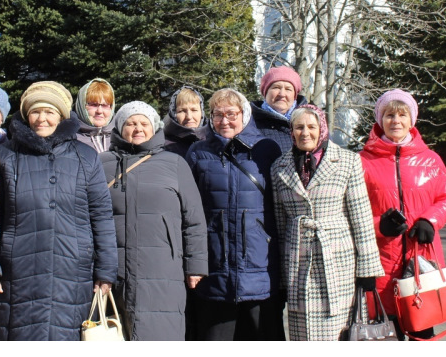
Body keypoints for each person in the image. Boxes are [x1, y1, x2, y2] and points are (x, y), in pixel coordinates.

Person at [0, 81, 118, 341]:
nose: (42, 119)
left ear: (61, 115)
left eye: (50, 112)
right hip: (17, 271)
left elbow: (101, 215)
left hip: (72, 270)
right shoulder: (4, 156)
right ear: (26, 115)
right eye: (35, 111)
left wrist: (106, 270)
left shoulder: (85, 157)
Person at [271, 104, 384, 340]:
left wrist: (367, 270)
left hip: (338, 262)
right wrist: (282, 278)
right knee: (303, 333)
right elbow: (281, 226)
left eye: (311, 127)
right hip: (298, 261)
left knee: (339, 332)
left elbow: (361, 217)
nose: (305, 133)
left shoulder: (347, 161)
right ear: (291, 131)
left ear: (322, 128)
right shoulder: (279, 167)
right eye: (299, 127)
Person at [100, 101, 208, 340]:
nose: (137, 128)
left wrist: (196, 265)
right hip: (112, 270)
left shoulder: (174, 163)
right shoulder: (101, 164)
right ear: (119, 127)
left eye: (143, 123)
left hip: (163, 267)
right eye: (130, 123)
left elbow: (194, 220)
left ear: (154, 128)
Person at [185, 88, 284, 341]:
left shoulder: (266, 149)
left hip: (259, 266)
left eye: (231, 113)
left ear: (245, 115)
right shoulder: (198, 152)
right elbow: (189, 210)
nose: (224, 120)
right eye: (218, 114)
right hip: (214, 266)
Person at [359, 89, 446, 340]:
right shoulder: (362, 161)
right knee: (384, 337)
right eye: (389, 115)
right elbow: (350, 212)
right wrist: (379, 225)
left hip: (420, 261)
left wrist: (430, 220)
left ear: (411, 120)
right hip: (379, 263)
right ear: (380, 120)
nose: (396, 121)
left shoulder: (430, 160)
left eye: (402, 115)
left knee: (421, 333)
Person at [251, 66, 308, 154]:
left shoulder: (311, 120)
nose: (282, 94)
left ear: (295, 95)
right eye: (276, 87)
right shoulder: (250, 122)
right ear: (265, 93)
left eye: (288, 89)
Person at [163, 86, 208, 158]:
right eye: (182, 111)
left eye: (194, 110)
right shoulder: (163, 146)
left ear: (202, 112)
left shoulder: (213, 141)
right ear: (173, 113)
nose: (189, 117)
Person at [74, 77, 116, 152]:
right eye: (93, 105)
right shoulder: (70, 141)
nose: (99, 111)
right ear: (82, 106)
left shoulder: (123, 139)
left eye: (105, 105)